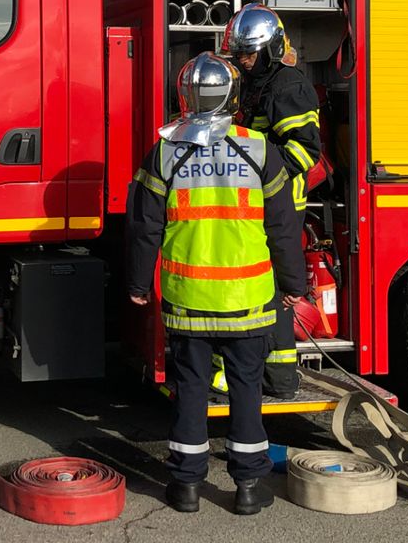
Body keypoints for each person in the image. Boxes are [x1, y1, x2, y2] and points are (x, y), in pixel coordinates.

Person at [126, 51, 306, 516]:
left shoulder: (165, 151)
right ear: (232, 95)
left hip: (188, 301)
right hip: (248, 300)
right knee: (246, 389)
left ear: (184, 96)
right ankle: (248, 488)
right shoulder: (260, 150)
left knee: (190, 389)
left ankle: (186, 487)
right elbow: (283, 228)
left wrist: (138, 284)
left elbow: (144, 227)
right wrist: (292, 283)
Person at [218, 3, 322, 399]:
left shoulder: (287, 86)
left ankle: (280, 379)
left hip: (280, 204)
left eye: (249, 53)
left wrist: (263, 179)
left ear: (270, 48)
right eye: (239, 54)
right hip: (251, 203)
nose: (243, 61)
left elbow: (304, 149)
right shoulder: (251, 82)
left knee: (277, 293)